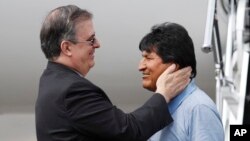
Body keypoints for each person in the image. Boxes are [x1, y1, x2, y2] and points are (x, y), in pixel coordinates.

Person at [35, 5, 192, 141]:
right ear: (67, 48)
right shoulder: (71, 91)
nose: (98, 44)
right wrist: (163, 94)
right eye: (91, 40)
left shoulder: (49, 80)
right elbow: (128, 131)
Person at [137, 22, 224, 141]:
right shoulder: (161, 107)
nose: (140, 66)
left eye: (148, 58)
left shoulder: (199, 108)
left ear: (173, 66)